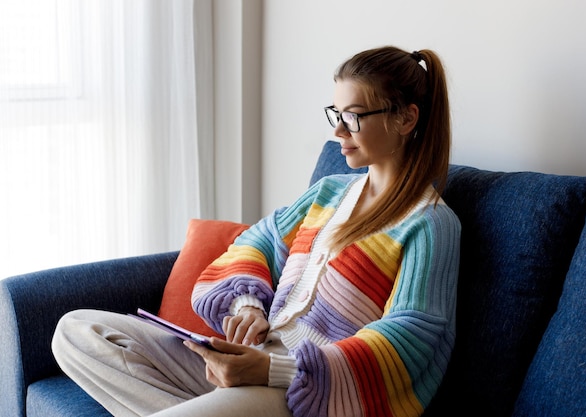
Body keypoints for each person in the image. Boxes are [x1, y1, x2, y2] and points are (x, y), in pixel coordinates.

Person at [52, 45, 461, 417]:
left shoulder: (430, 224)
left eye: (353, 116)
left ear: (406, 118)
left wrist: (273, 370)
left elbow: (408, 341)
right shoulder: (329, 193)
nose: (338, 131)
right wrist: (248, 305)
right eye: (336, 114)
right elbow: (257, 241)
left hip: (306, 392)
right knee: (76, 331)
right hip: (255, 357)